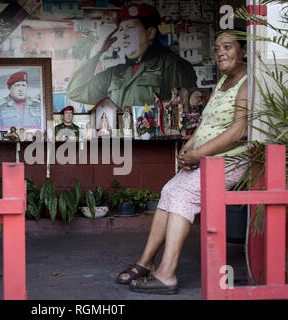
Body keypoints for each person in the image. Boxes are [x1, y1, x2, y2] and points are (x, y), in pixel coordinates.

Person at [115, 31, 249, 294]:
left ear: (244, 51)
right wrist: (189, 147)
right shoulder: (223, 81)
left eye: (228, 47)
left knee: (182, 194)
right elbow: (207, 124)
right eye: (217, 47)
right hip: (208, 160)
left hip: (231, 161)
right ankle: (146, 262)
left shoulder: (248, 84)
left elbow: (238, 132)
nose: (220, 52)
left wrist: (198, 155)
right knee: (168, 190)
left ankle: (167, 274)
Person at [66, 3, 197, 110]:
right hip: (122, 142)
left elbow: (187, 110)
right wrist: (94, 54)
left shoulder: (172, 66)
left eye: (130, 28)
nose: (124, 35)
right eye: (121, 30)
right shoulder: (115, 73)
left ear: (150, 33)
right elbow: (76, 91)